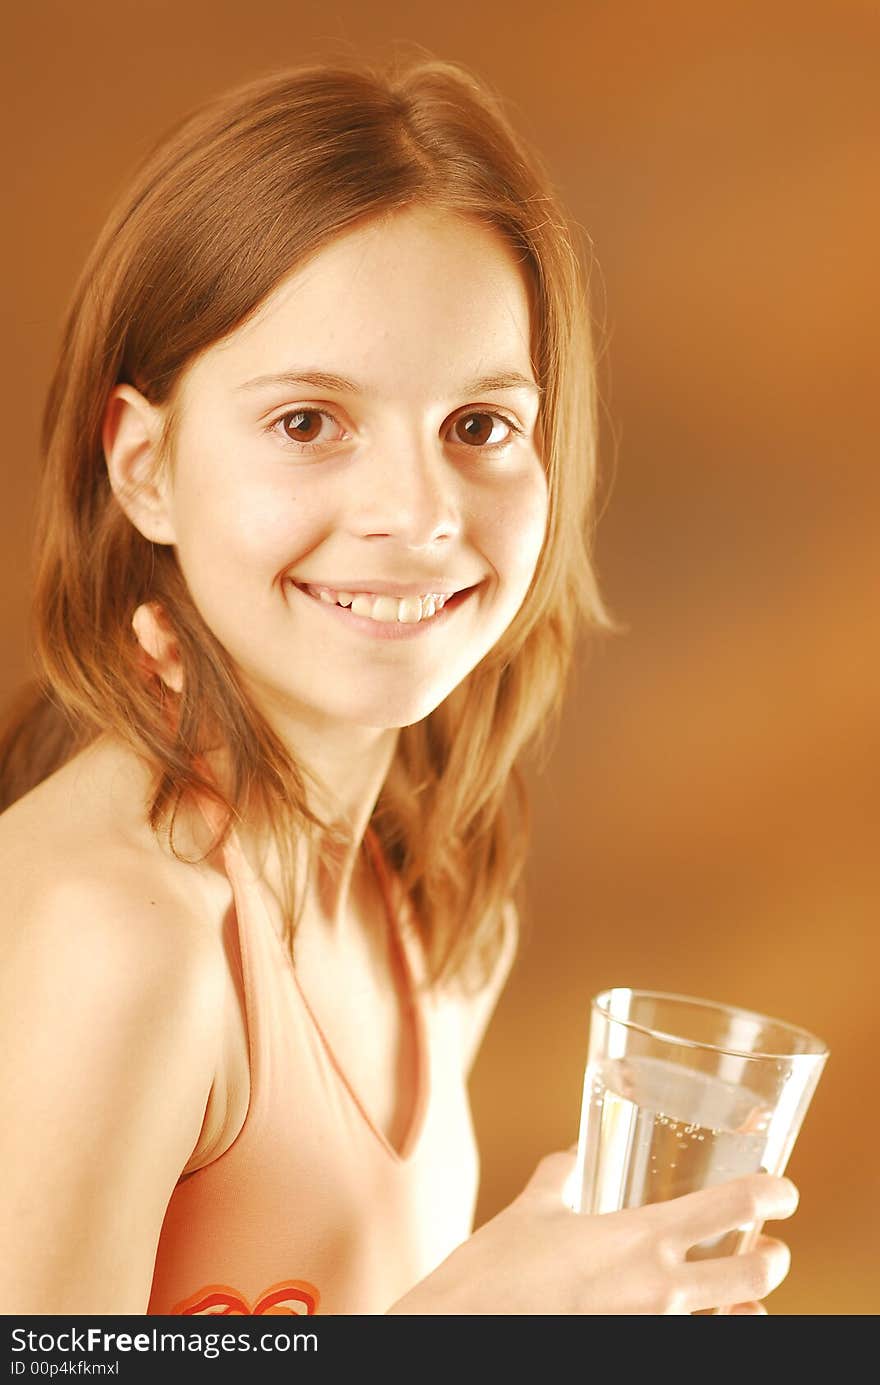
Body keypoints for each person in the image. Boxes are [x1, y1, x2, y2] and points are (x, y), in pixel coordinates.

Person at [0, 54, 798, 1316]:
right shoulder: (116, 930)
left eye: (479, 426)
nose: (420, 515)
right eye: (309, 421)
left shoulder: (432, 917)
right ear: (145, 467)